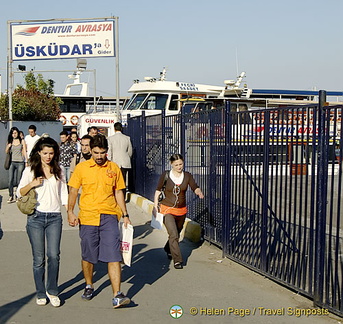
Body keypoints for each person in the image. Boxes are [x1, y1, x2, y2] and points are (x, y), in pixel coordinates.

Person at [67, 134, 131, 308]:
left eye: (102, 153)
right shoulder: (82, 168)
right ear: (90, 151)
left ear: (107, 151)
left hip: (110, 216)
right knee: (88, 255)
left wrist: (125, 214)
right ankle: (89, 285)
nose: (99, 156)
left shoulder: (114, 168)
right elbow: (73, 191)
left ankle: (117, 294)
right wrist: (70, 212)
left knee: (114, 255)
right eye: (96, 153)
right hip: (87, 216)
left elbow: (119, 192)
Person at [17, 136, 68, 307]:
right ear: (39, 152)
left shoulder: (59, 169)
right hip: (36, 218)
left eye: (51, 153)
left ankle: (52, 291)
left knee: (54, 255)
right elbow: (20, 193)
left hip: (54, 217)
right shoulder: (30, 170)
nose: (48, 156)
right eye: (45, 153)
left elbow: (63, 193)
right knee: (38, 258)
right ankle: (40, 292)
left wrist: (69, 211)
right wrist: (32, 183)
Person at [153, 154, 204, 269]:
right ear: (171, 164)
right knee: (174, 234)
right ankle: (178, 260)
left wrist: (198, 192)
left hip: (181, 211)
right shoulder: (166, 175)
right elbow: (158, 190)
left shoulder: (187, 176)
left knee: (177, 232)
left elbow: (194, 186)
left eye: (181, 164)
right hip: (167, 210)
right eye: (176, 165)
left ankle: (168, 248)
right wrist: (155, 206)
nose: (179, 167)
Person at [107, 122, 133, 194]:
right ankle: (123, 196)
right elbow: (130, 151)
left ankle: (115, 195)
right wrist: (127, 157)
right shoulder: (127, 138)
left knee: (114, 180)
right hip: (125, 162)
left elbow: (109, 152)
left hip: (115, 162)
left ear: (114, 129)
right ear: (121, 128)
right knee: (123, 180)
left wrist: (109, 161)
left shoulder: (110, 139)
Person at [5, 127, 28, 203]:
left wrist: (26, 161)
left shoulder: (22, 141)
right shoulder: (10, 141)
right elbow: (6, 151)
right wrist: (8, 147)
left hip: (20, 162)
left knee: (18, 180)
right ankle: (11, 195)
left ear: (18, 133)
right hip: (12, 162)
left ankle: (17, 196)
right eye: (12, 133)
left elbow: (24, 151)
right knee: (10, 180)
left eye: (15, 133)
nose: (14, 135)